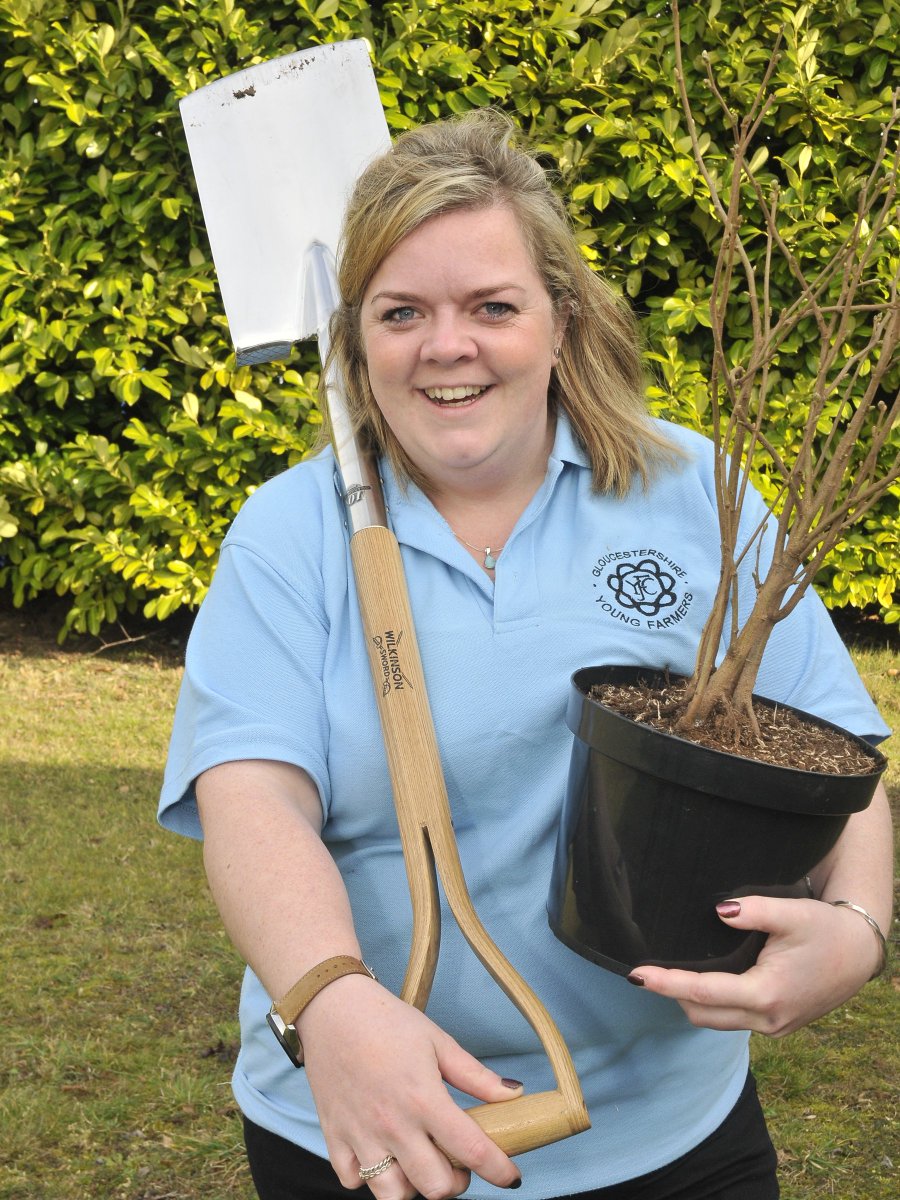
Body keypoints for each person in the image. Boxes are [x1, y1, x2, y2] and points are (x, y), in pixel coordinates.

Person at [159, 110, 892, 1200]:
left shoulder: (691, 489)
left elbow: (834, 753)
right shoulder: (287, 533)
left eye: (491, 307)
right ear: (357, 337)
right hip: (368, 1128)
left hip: (673, 1134)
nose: (446, 346)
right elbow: (252, 798)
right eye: (401, 312)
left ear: (562, 317)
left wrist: (860, 928)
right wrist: (333, 1001)